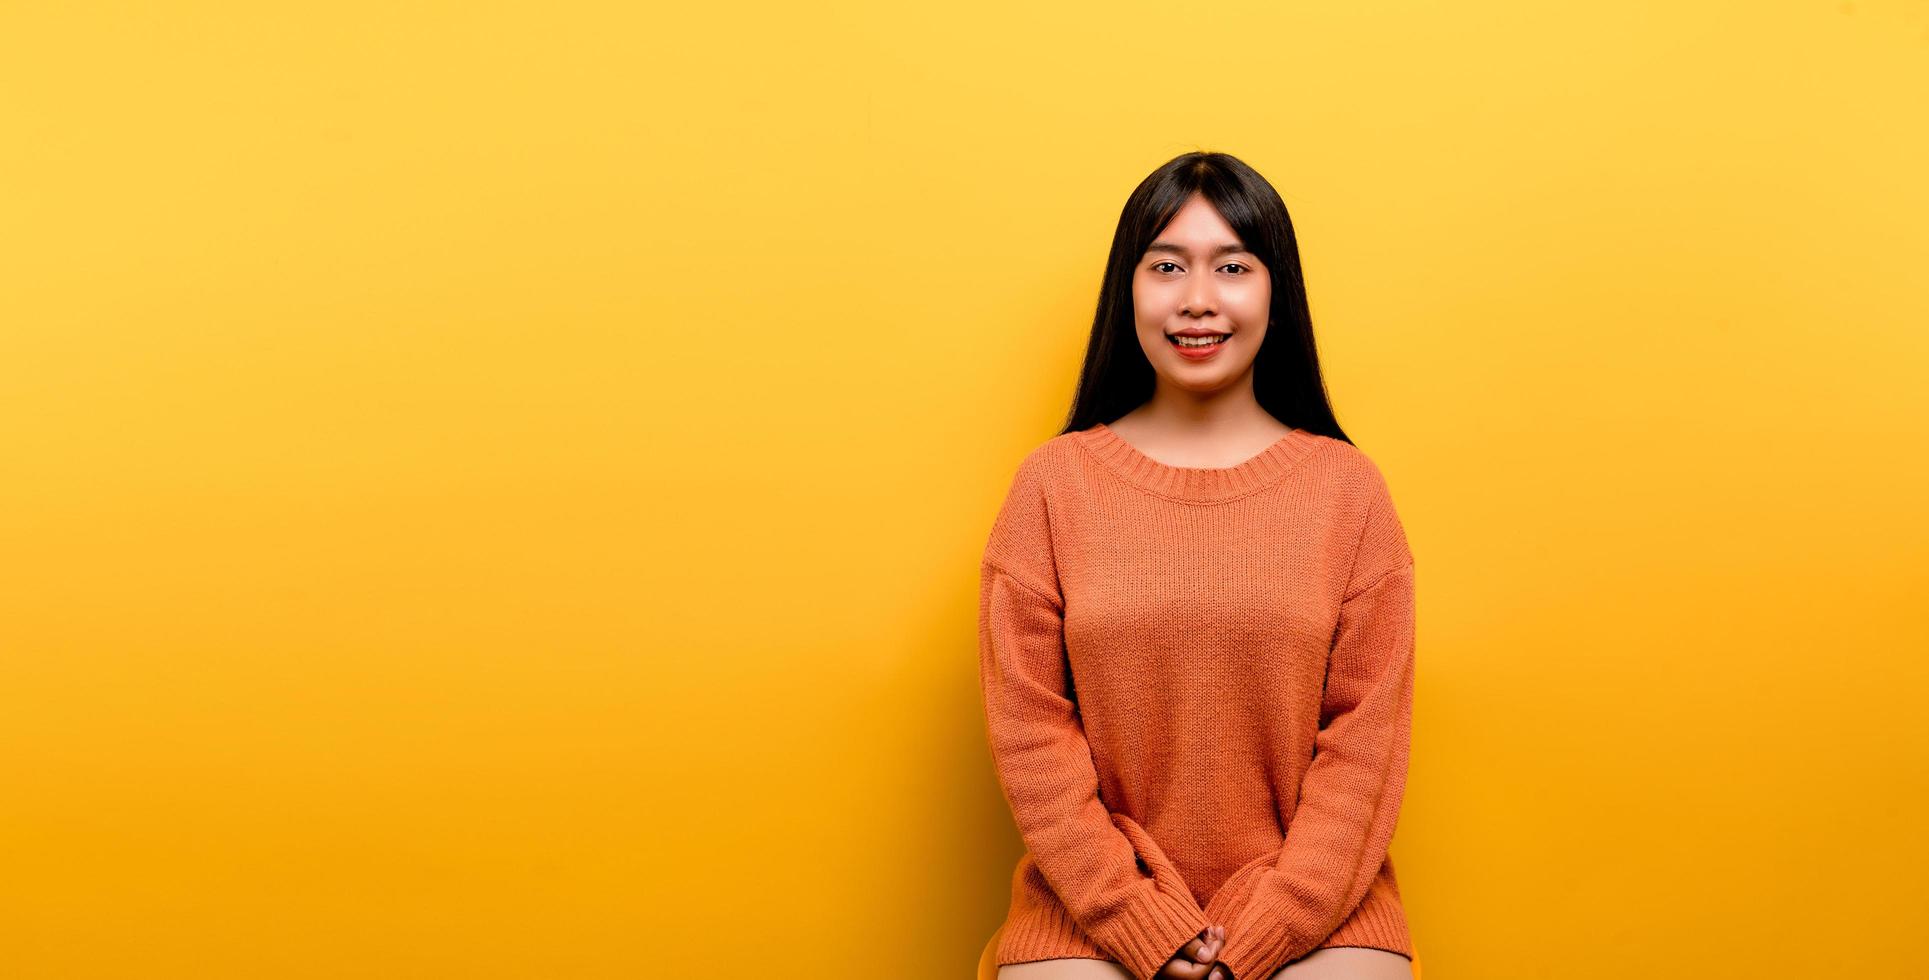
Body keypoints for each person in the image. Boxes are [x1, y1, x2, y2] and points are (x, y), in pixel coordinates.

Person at [981, 151, 1419, 980]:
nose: (1197, 299)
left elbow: (1365, 745)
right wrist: (1136, 916)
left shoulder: (1348, 490)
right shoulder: (1052, 485)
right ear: (1129, 289)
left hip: (1318, 905)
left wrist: (1276, 923)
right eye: (1167, 267)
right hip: (1092, 903)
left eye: (1231, 267)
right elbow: (1030, 734)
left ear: (1274, 292)